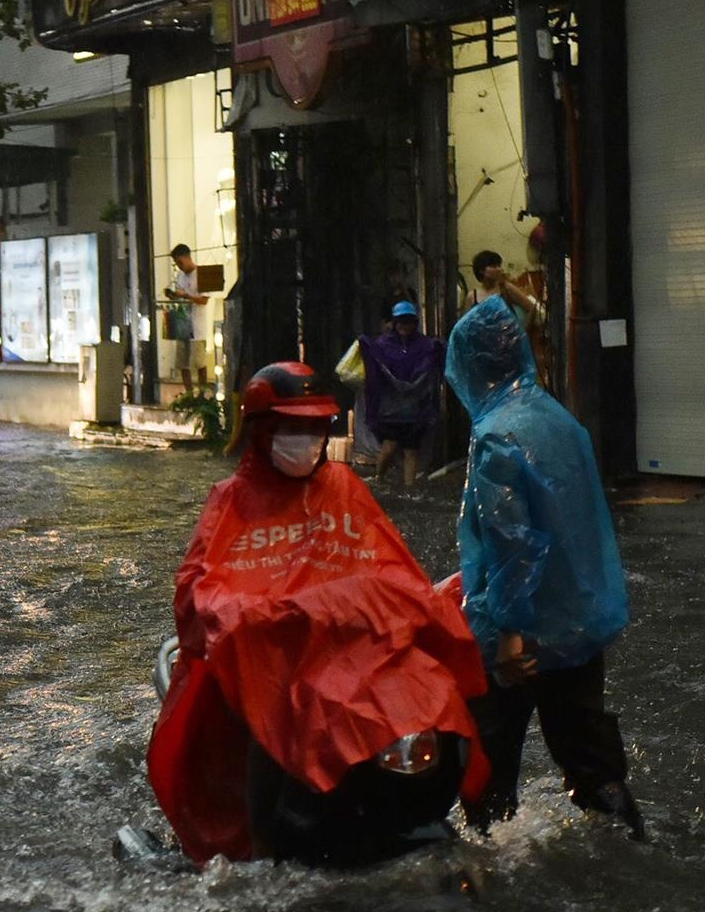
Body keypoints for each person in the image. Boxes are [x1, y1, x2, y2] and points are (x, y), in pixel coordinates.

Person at [149, 361, 489, 864]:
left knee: (435, 691)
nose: (306, 439)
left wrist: (411, 602)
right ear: (262, 430)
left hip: (354, 655)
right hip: (276, 664)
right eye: (293, 428)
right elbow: (197, 588)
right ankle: (265, 848)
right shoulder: (231, 501)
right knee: (269, 721)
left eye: (315, 428)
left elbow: (393, 567)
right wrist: (237, 613)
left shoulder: (344, 488)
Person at [446, 299, 644, 838]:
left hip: (521, 633)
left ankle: (488, 860)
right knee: (588, 754)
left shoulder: (495, 434)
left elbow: (511, 539)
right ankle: (628, 838)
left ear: (470, 367)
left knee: (490, 759)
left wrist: (509, 630)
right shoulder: (561, 421)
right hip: (577, 621)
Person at [357, 300, 447, 488]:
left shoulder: (424, 345)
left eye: (408, 321)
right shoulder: (384, 344)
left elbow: (433, 358)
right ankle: (379, 478)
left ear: (415, 323)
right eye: (401, 321)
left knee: (411, 450)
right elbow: (375, 363)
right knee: (389, 446)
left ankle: (409, 490)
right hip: (391, 409)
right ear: (395, 323)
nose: (404, 326)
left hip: (415, 409)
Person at [163, 245, 211, 396]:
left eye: (180, 262)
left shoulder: (201, 274)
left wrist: (186, 296)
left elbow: (204, 300)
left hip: (197, 327)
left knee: (199, 363)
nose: (179, 266)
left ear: (187, 257)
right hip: (183, 325)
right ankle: (189, 394)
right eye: (177, 263)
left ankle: (202, 394)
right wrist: (173, 295)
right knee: (183, 363)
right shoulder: (180, 276)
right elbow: (180, 296)